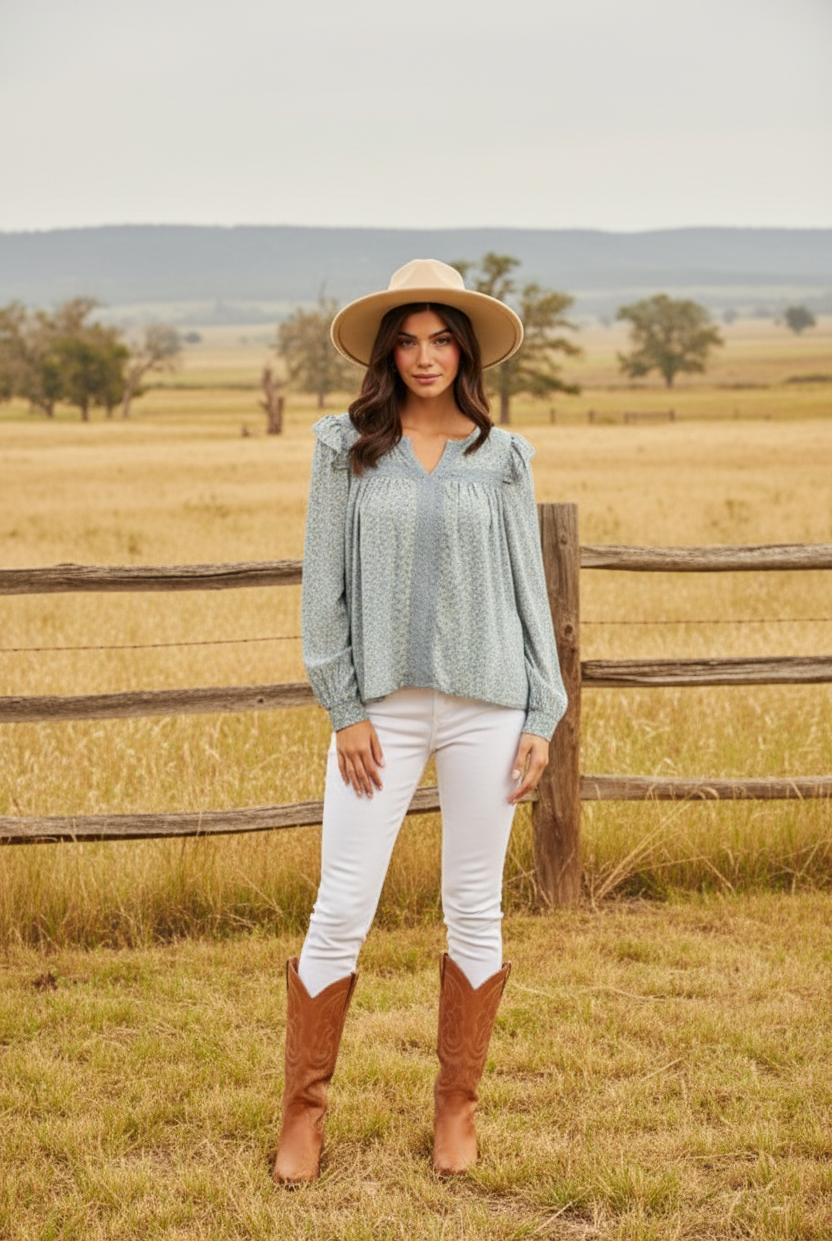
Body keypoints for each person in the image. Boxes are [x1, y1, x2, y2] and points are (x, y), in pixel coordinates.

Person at [272, 259, 567, 1184]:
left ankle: (456, 1109)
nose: (426, 356)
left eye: (442, 340)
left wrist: (542, 711)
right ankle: (303, 1113)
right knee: (341, 904)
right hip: (381, 716)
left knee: (474, 905)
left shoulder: (503, 457)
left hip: (491, 708)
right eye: (409, 340)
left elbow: (529, 591)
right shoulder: (345, 448)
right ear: (387, 352)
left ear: (465, 351)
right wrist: (344, 707)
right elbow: (323, 588)